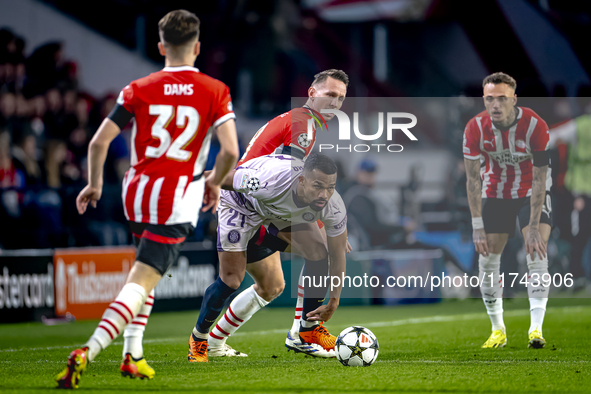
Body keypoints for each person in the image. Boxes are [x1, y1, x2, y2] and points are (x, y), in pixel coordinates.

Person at [56, 10, 239, 389]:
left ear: (161, 47)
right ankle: (87, 351)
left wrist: (93, 185)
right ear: (197, 47)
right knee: (141, 282)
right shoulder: (214, 90)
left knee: (144, 275)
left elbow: (98, 142)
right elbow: (230, 152)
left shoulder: (138, 87)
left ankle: (132, 356)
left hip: (136, 193)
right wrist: (216, 182)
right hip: (176, 197)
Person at [188, 153, 349, 362]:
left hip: (275, 211)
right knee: (231, 279)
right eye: (318, 186)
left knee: (319, 253)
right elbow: (215, 177)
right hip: (240, 205)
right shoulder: (268, 182)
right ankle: (199, 338)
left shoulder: (334, 206)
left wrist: (334, 300)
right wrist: (178, 187)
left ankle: (308, 329)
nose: (324, 194)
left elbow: (338, 256)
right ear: (302, 180)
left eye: (330, 187)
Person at [463, 72, 552, 349]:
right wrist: (477, 225)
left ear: (514, 99)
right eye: (490, 99)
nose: (496, 105)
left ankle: (536, 329)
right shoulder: (474, 128)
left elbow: (539, 179)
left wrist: (534, 227)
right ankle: (497, 330)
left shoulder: (536, 125)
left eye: (502, 98)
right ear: (484, 100)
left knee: (536, 251)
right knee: (487, 258)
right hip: (496, 193)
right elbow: (473, 180)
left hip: (531, 193)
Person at [548, 101, 591, 291]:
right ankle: (576, 274)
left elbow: (550, 138)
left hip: (579, 190)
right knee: (579, 235)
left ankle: (576, 274)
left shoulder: (578, 125)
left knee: (578, 235)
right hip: (580, 190)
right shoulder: (578, 126)